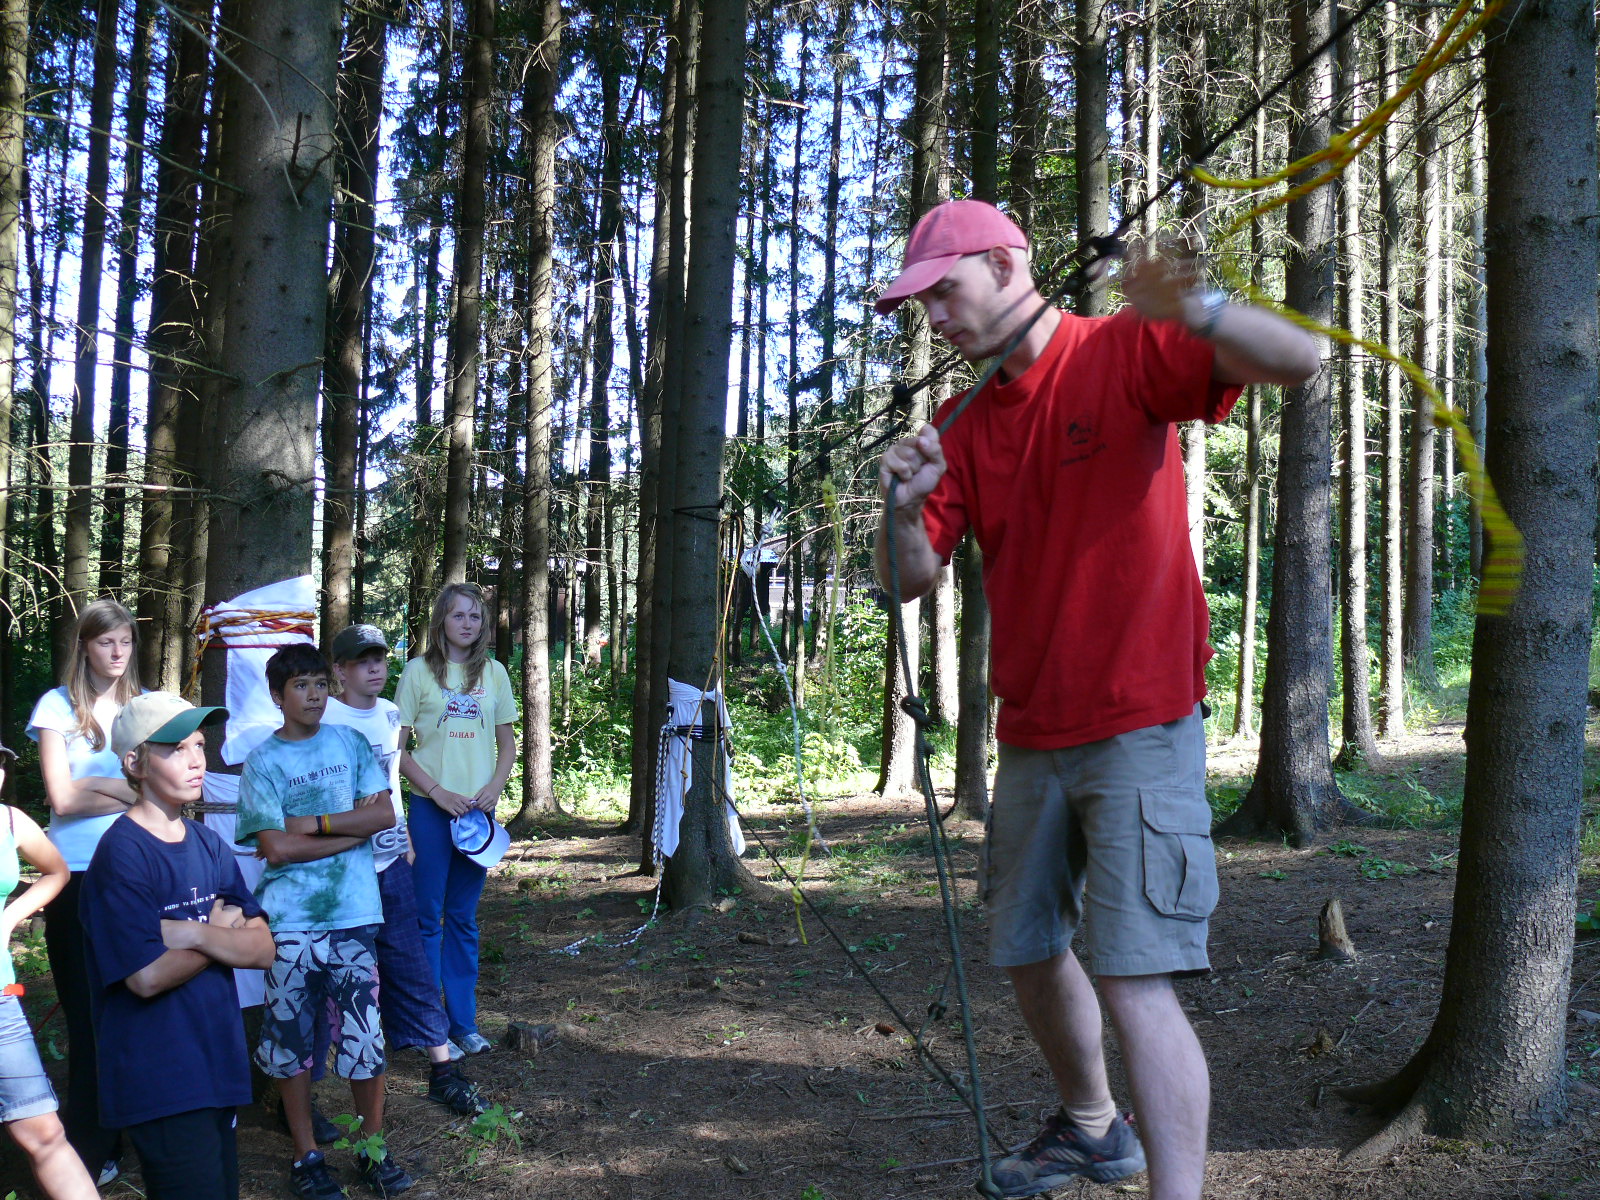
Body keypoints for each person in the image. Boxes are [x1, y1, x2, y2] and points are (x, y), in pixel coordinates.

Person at [874, 200, 1319, 1200]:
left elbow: (1299, 360)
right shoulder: (961, 424)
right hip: (1032, 734)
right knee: (1027, 950)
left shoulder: (1122, 349)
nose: (934, 318)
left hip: (1140, 721)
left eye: (944, 291)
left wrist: (1198, 306)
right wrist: (901, 507)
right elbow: (907, 578)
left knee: (1132, 976)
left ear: (1005, 265)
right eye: (921, 303)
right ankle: (1090, 1128)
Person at [77, 693, 275, 1200]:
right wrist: (223, 933)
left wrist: (192, 933)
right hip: (160, 1077)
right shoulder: (121, 855)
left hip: (217, 1064)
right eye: (175, 748)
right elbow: (145, 977)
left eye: (199, 745)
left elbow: (262, 949)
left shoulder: (208, 843)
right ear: (135, 763)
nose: (195, 760)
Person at [235, 644, 413, 1199]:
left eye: (319, 684)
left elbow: (383, 814)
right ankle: (306, 1153)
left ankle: (371, 1149)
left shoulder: (350, 742)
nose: (314, 696)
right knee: (289, 1038)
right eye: (301, 686)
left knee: (365, 1037)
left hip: (354, 914)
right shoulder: (263, 761)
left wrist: (313, 822)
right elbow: (275, 848)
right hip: (290, 920)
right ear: (277, 696)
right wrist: (349, 831)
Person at [320, 623, 485, 1112]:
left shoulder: (391, 714)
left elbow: (391, 778)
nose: (374, 669)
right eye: (362, 662)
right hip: (342, 862)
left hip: (390, 857)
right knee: (343, 971)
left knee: (410, 961)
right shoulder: (325, 715)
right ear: (340, 671)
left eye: (379, 659)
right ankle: (328, 1077)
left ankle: (443, 1071)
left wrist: (405, 837)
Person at [26, 598, 143, 1184]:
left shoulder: (142, 708)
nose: (117, 652)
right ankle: (92, 1147)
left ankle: (143, 1129)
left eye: (125, 641)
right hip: (74, 876)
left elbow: (161, 790)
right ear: (85, 646)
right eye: (105, 642)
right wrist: (123, 789)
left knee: (139, 1004)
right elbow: (63, 799)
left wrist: (106, 789)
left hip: (136, 870)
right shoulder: (57, 707)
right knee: (87, 1013)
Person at [395, 583, 517, 1056]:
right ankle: (430, 1026)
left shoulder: (495, 672)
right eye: (458, 615)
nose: (467, 623)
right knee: (427, 918)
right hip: (431, 809)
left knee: (463, 918)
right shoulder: (417, 672)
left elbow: (507, 743)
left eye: (475, 616)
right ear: (441, 621)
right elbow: (397, 751)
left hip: (478, 815)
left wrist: (495, 788)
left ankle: (464, 1024)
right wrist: (436, 792)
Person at [0, 742, 97, 1200]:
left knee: (46, 1133)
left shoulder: (11, 821)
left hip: (1, 1004)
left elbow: (57, 871)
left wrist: (8, 918)